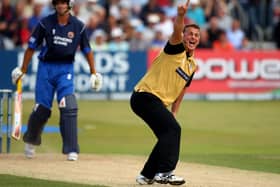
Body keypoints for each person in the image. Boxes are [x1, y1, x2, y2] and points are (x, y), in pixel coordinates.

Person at [11, 0, 102, 161]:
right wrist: (23, 69)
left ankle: (71, 149)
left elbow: (87, 49)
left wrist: (94, 72)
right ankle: (31, 141)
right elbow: (31, 46)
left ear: (69, 5)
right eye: (57, 3)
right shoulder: (45, 23)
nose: (60, 6)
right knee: (42, 109)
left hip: (65, 69)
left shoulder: (78, 26)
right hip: (46, 68)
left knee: (69, 105)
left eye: (63, 3)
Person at [130, 0, 200, 185]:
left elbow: (181, 90)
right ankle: (166, 172)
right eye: (190, 34)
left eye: (196, 35)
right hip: (145, 96)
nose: (193, 37)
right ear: (182, 37)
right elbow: (177, 30)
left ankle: (147, 175)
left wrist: (174, 112)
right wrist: (180, 16)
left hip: (154, 102)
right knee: (173, 130)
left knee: (166, 134)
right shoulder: (175, 49)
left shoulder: (192, 65)